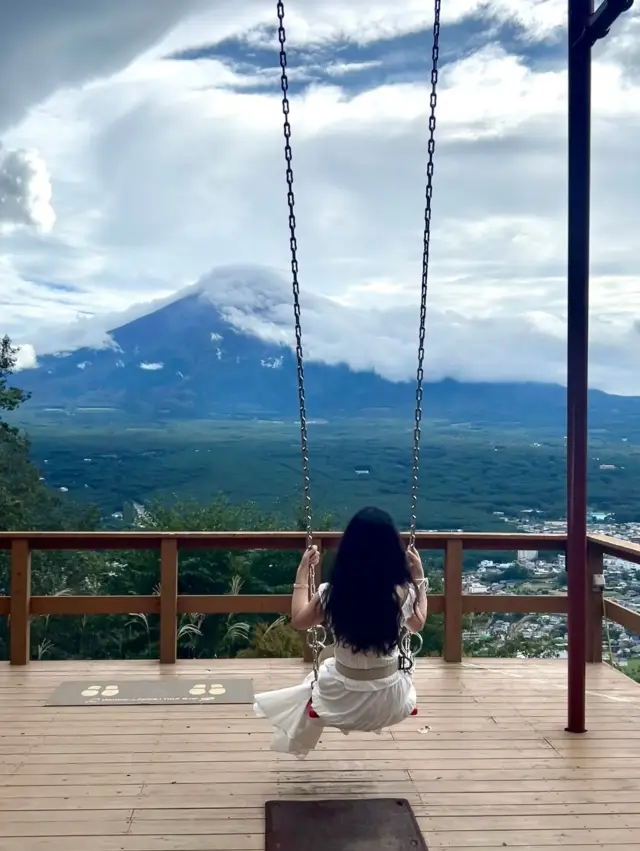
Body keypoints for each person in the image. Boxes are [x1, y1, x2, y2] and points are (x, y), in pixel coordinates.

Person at [253, 506, 428, 757]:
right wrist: (419, 578)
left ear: (348, 550)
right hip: (392, 699)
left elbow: (299, 621)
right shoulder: (403, 592)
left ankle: (295, 738)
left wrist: (302, 572)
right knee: (391, 668)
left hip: (338, 699)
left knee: (317, 675)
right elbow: (417, 624)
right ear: (392, 550)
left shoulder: (331, 593)